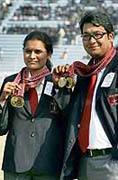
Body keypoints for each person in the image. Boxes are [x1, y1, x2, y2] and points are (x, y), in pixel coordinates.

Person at [53, 11, 118, 180]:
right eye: (86, 36)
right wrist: (62, 88)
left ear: (110, 36)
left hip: (112, 162)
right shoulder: (85, 73)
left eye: (97, 34)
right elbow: (71, 115)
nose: (91, 41)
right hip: (84, 162)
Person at [0, 31, 66, 180]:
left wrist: (60, 90)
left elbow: (68, 117)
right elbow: (0, 129)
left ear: (49, 54)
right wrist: (2, 100)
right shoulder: (11, 82)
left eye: (38, 51)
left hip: (49, 164)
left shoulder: (58, 82)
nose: (32, 56)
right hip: (16, 164)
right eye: (28, 51)